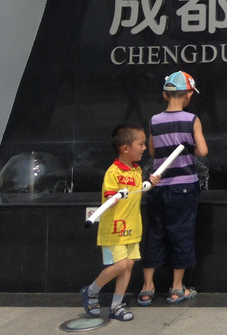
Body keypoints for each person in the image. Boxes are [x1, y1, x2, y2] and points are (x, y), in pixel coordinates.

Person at [139, 71, 208, 306]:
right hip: (184, 187)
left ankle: (147, 288)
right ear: (188, 94)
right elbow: (202, 151)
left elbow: (151, 151)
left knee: (155, 234)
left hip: (158, 187)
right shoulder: (191, 120)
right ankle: (177, 288)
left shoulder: (154, 120)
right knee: (182, 233)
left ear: (165, 95)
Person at [80, 124, 159, 322]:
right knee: (120, 265)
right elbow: (109, 196)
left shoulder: (136, 169)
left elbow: (137, 190)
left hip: (132, 228)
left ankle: (116, 305)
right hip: (114, 229)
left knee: (129, 265)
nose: (144, 148)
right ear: (125, 148)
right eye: (140, 144)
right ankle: (91, 290)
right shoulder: (113, 172)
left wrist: (149, 184)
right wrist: (115, 196)